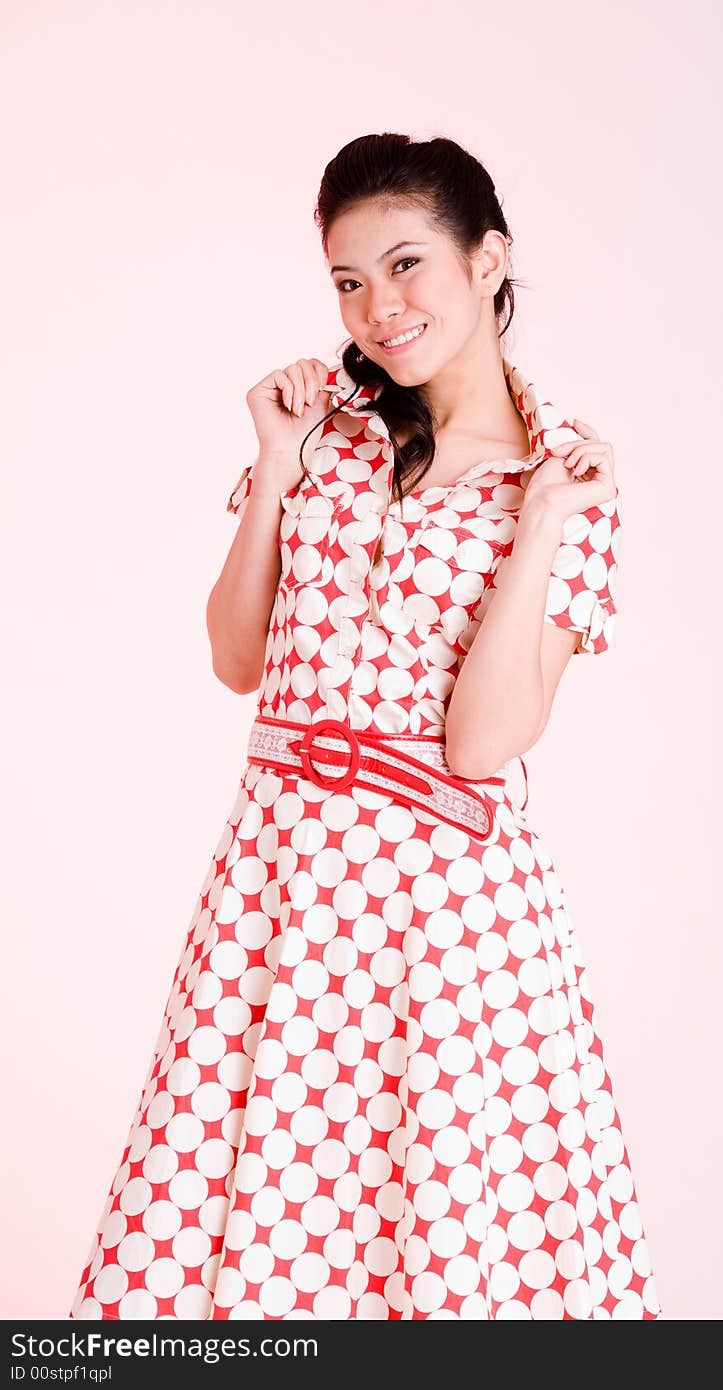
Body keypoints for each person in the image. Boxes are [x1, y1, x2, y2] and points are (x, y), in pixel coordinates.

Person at [70, 132, 660, 1321]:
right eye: (348, 281)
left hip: (445, 919)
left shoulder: (566, 485)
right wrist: (276, 467)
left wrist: (535, 525)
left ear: (489, 259)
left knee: (432, 1227)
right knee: (242, 1208)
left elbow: (485, 746)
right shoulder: (327, 436)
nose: (378, 308)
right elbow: (238, 658)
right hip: (280, 885)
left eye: (405, 266)